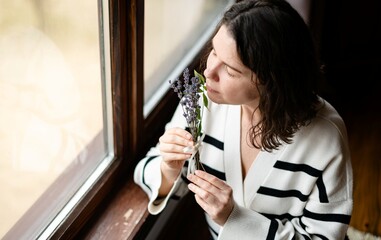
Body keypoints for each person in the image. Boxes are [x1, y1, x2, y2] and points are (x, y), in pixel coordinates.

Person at [134, 0, 353, 239]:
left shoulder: (326, 137)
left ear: (271, 81)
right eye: (214, 52)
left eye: (230, 70)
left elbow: (323, 236)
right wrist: (168, 168)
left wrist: (234, 218)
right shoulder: (200, 101)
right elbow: (147, 170)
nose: (208, 72)